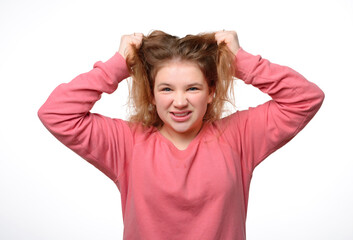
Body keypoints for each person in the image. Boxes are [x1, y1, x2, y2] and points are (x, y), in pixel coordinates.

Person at [38, 30, 325, 240]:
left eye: (192, 88)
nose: (179, 101)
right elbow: (56, 113)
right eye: (166, 89)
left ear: (211, 92)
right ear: (151, 94)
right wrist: (117, 64)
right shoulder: (127, 144)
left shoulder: (238, 137)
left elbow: (305, 99)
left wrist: (240, 60)